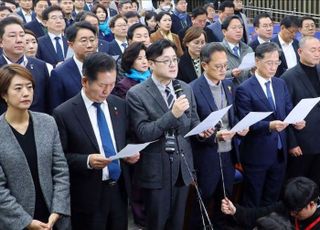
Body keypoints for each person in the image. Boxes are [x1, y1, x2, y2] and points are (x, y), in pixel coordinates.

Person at [126, 39, 213, 230]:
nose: (173, 64)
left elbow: (193, 122)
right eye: (166, 61)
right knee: (157, 223)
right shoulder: (137, 94)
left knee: (178, 223)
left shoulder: (184, 87)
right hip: (156, 170)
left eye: (175, 59)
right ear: (151, 64)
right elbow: (143, 133)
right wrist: (172, 114)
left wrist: (202, 131)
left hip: (183, 167)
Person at [53, 52, 140, 230]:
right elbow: (59, 158)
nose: (107, 91)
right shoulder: (65, 113)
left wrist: (130, 153)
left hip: (119, 190)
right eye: (102, 85)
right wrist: (87, 161)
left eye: (112, 84)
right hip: (87, 194)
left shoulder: (119, 105)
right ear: (85, 81)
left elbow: (127, 136)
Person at [235, 42, 305, 207]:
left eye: (277, 62)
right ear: (257, 61)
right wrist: (268, 126)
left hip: (279, 152)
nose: (274, 67)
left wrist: (296, 121)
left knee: (272, 198)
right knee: (253, 198)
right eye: (269, 62)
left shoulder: (280, 84)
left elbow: (287, 110)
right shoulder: (244, 89)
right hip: (256, 153)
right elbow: (246, 122)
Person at [0, 64, 70, 229]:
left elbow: (60, 170)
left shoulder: (47, 122)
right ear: (4, 94)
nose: (26, 93)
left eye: (29, 87)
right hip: (16, 221)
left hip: (53, 217)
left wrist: (58, 209)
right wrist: (26, 222)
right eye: (18, 88)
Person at [189, 42, 248, 229]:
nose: (224, 70)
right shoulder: (193, 89)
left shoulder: (229, 85)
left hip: (228, 153)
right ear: (204, 65)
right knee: (203, 201)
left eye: (225, 66)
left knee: (225, 199)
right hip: (206, 155)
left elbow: (233, 116)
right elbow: (192, 127)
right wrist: (213, 136)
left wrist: (241, 127)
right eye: (218, 66)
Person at [281, 36, 320, 186]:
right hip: (302, 142)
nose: (317, 53)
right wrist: (292, 143)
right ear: (300, 51)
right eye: (313, 50)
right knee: (298, 185)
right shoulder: (288, 77)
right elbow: (285, 112)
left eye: (319, 50)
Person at [221, 177, 320, 230]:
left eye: (296, 211)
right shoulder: (290, 206)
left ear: (311, 204)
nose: (291, 214)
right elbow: (258, 214)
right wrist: (235, 210)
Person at [0, 17, 50, 114]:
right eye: (12, 36)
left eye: (22, 35)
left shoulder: (40, 66)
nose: (19, 40)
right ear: (1, 42)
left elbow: (47, 102)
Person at [49, 21, 97, 113]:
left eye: (92, 40)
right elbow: (56, 109)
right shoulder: (59, 73)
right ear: (71, 45)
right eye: (84, 41)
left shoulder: (104, 67)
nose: (89, 45)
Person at [221, 15, 253, 86]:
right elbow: (213, 72)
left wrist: (253, 72)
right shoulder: (218, 49)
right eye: (234, 28)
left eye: (240, 27)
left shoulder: (248, 49)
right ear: (224, 32)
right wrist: (231, 73)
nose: (238, 30)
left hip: (246, 91)